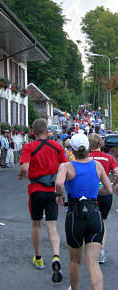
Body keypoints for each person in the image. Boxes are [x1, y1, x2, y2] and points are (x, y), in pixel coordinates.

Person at [55, 133, 113, 290]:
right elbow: (108, 190)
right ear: (88, 148)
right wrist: (93, 192)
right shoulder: (97, 166)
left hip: (75, 215)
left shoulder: (66, 166)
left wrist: (59, 196)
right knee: (93, 264)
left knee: (75, 261)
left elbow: (59, 183)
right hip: (94, 213)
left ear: (72, 149)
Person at [18, 118, 67, 283]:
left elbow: (24, 168)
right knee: (52, 227)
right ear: (47, 131)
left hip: (36, 190)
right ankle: (55, 256)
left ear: (33, 132)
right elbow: (64, 167)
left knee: (36, 224)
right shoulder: (57, 146)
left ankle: (38, 258)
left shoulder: (28, 147)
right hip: (52, 190)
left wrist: (21, 175)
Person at [88, 133, 118, 263]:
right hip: (105, 193)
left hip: (90, 193)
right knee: (103, 223)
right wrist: (115, 183)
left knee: (90, 222)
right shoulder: (109, 158)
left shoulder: (86, 157)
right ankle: (101, 252)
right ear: (101, 143)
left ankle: (90, 250)